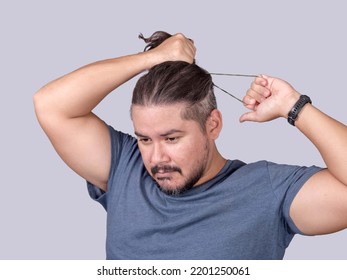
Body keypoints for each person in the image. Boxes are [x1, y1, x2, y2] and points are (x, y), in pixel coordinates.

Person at [33, 31, 347, 260]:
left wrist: (296, 107)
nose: (156, 157)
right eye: (144, 139)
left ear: (213, 124)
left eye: (171, 138)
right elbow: (50, 104)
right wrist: (153, 59)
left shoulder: (267, 191)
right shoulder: (125, 169)